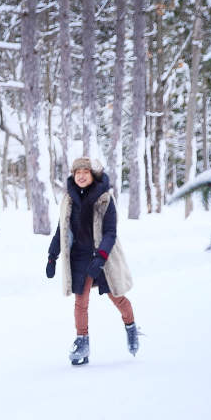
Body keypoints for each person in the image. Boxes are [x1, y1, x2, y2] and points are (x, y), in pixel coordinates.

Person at [45, 157, 139, 366]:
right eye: (77, 172)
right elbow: (61, 230)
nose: (81, 176)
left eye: (85, 172)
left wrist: (101, 256)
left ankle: (131, 326)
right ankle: (82, 343)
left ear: (92, 175)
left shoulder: (104, 198)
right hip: (79, 257)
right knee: (81, 302)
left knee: (117, 298)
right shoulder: (69, 199)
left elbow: (110, 232)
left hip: (103, 256)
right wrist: (52, 256)